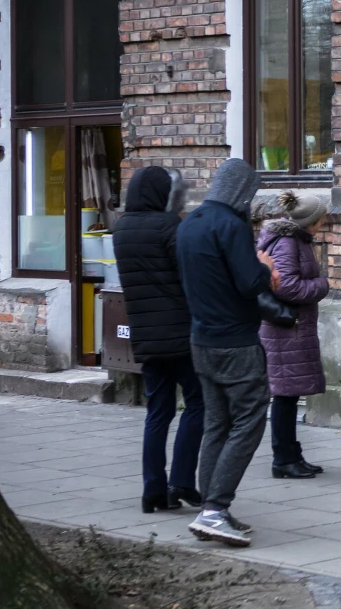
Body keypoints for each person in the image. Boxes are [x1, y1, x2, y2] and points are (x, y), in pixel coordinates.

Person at [177, 158, 279, 547]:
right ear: (242, 192)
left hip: (200, 339)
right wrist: (264, 265)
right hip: (236, 341)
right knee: (249, 420)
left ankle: (211, 508)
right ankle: (215, 510)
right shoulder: (231, 227)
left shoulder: (190, 223)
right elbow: (248, 283)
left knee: (216, 424)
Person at [113, 165, 204, 515]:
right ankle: (181, 481)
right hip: (180, 333)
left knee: (157, 412)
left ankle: (152, 489)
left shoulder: (122, 228)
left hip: (146, 336)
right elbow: (187, 277)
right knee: (197, 403)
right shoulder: (169, 226)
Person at [258, 191, 330, 480]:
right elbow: (286, 286)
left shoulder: (293, 240)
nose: (324, 222)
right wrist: (321, 286)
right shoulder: (288, 243)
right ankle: (283, 460)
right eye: (321, 217)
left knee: (288, 395)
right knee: (285, 397)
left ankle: (292, 454)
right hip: (285, 329)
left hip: (291, 328)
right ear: (310, 220)